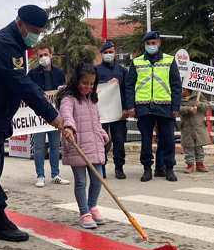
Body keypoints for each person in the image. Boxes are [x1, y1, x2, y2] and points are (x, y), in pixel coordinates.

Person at [0, 5, 64, 242]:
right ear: (19, 23)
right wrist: (52, 115)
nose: (35, 36)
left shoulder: (15, 43)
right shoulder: (5, 45)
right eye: (33, 30)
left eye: (39, 31)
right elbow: (22, 85)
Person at [58, 63, 110, 229]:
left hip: (94, 145)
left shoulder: (92, 100)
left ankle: (92, 206)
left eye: (91, 84)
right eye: (84, 82)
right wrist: (69, 128)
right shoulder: (69, 98)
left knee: (98, 179)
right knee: (81, 181)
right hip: (77, 145)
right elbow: (66, 115)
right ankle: (84, 213)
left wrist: (102, 133)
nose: (87, 87)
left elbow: (96, 121)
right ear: (76, 80)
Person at [125, 31, 182, 182]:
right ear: (145, 45)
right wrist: (130, 106)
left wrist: (176, 107)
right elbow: (129, 86)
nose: (152, 46)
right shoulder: (137, 62)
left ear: (159, 43)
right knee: (146, 140)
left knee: (168, 139)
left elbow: (176, 85)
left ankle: (168, 168)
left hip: (165, 106)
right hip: (143, 107)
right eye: (149, 43)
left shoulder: (169, 60)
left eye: (154, 43)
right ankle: (147, 169)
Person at [27, 44, 69, 187]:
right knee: (39, 146)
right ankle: (40, 175)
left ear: (51, 55)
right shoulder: (32, 74)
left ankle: (55, 174)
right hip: (38, 116)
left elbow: (65, 93)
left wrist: (62, 90)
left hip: (55, 114)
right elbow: (28, 92)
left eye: (46, 54)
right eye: (40, 55)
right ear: (37, 57)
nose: (43, 58)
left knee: (55, 146)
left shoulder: (59, 73)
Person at [95, 41, 129, 179]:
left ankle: (119, 168)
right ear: (102, 54)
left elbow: (127, 90)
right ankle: (101, 167)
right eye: (106, 52)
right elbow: (92, 89)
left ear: (115, 53)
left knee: (119, 140)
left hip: (118, 112)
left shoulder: (122, 70)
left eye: (111, 52)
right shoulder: (96, 70)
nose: (109, 54)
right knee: (101, 140)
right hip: (101, 112)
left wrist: (127, 108)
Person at [180, 89, 211, 174]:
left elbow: (207, 106)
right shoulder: (179, 98)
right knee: (188, 147)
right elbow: (177, 109)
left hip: (198, 126)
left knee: (199, 146)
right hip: (187, 127)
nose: (182, 91)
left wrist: (200, 104)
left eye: (184, 89)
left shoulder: (199, 95)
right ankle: (190, 165)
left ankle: (200, 164)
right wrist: (189, 109)